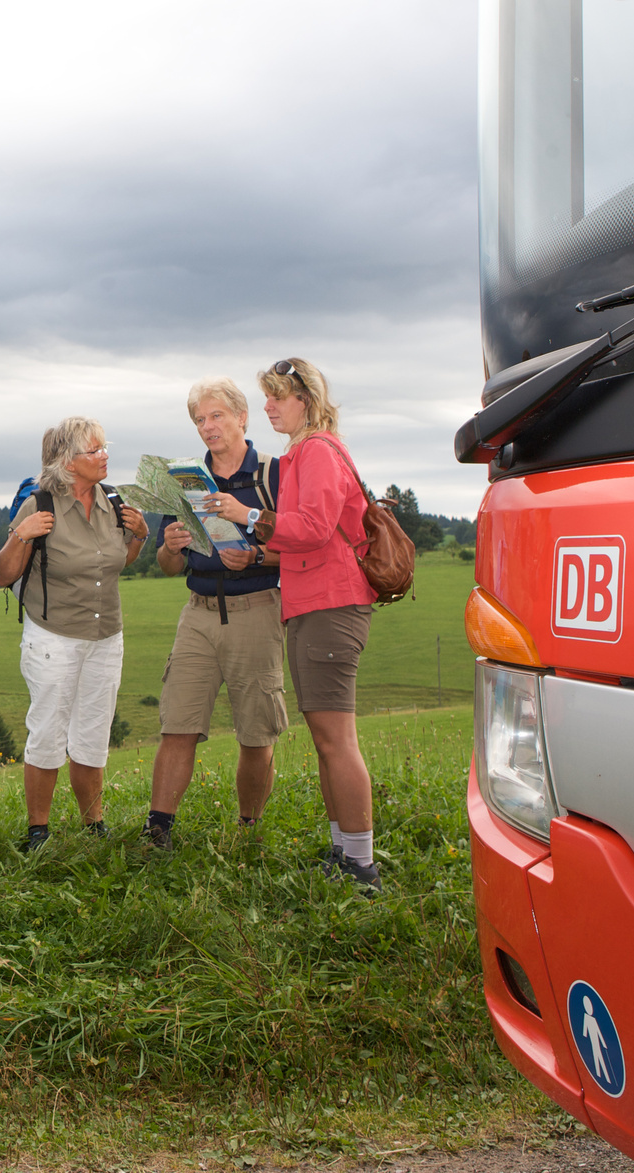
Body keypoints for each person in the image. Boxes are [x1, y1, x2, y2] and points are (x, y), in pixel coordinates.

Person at [201, 358, 380, 893]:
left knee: (336, 739)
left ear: (305, 400)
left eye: (277, 397)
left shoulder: (318, 450)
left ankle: (362, 864)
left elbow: (315, 528)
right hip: (310, 603)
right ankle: (343, 851)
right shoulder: (302, 452)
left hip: (331, 603)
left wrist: (247, 516)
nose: (268, 407)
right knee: (326, 739)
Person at [142, 377, 286, 850]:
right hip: (198, 612)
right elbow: (168, 567)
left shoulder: (275, 473)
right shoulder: (184, 481)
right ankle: (157, 831)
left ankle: (249, 830)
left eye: (216, 416)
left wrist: (257, 557)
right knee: (177, 725)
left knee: (256, 733)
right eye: (200, 420)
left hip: (257, 609)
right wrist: (169, 546)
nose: (208, 427)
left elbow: (304, 545)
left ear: (242, 417)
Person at [0, 417, 148, 848]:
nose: (104, 455)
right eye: (94, 450)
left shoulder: (114, 502)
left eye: (105, 446)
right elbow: (4, 575)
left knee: (93, 734)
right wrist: (20, 537)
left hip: (106, 636)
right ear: (68, 462)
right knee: (47, 733)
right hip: (53, 638)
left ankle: (93, 823)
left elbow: (116, 564)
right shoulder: (40, 505)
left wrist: (138, 537)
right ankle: (38, 830)